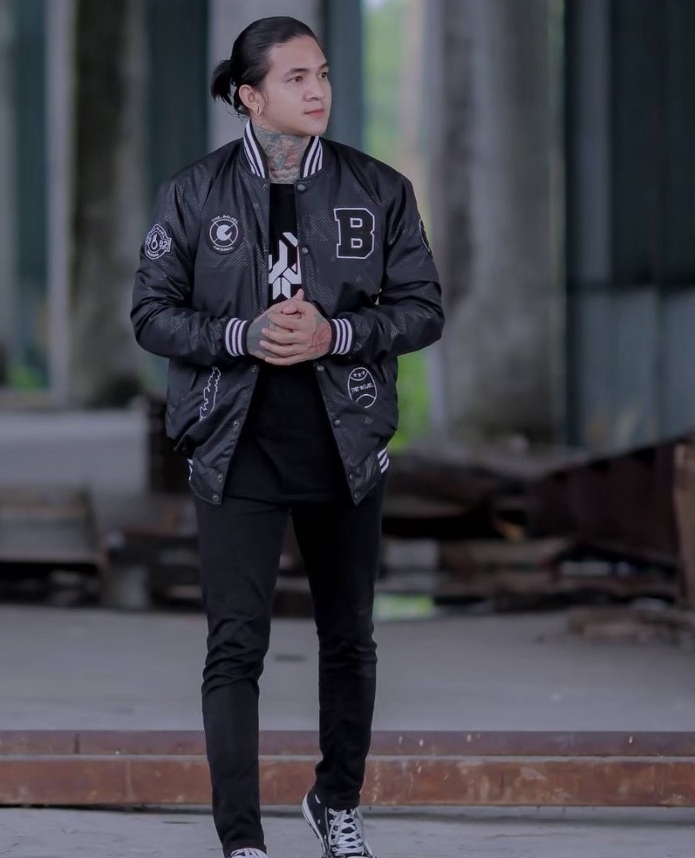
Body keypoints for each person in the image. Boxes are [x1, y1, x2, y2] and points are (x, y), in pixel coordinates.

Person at [130, 16, 443, 858]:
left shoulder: (378, 189)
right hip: (235, 446)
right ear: (250, 95)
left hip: (346, 445)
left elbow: (423, 309)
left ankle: (335, 803)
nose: (318, 91)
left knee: (350, 638)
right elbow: (151, 314)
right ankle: (242, 841)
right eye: (296, 78)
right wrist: (242, 334)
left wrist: (336, 334)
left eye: (323, 74)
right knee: (236, 645)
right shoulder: (193, 193)